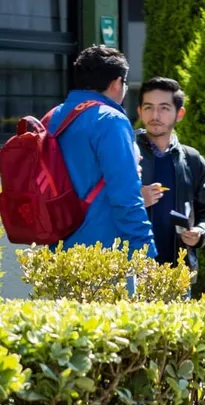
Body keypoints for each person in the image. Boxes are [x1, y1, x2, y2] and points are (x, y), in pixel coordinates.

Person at [50, 45, 155, 256]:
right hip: (104, 252)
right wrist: (144, 249)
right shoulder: (110, 119)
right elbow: (125, 194)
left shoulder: (54, 116)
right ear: (117, 83)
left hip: (57, 248)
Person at [135, 77, 205, 275]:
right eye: (148, 107)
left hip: (178, 269)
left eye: (164, 108)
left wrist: (200, 233)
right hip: (134, 267)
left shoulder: (192, 159)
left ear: (179, 114)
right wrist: (136, 199)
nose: (155, 115)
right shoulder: (125, 152)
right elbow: (100, 204)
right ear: (139, 111)